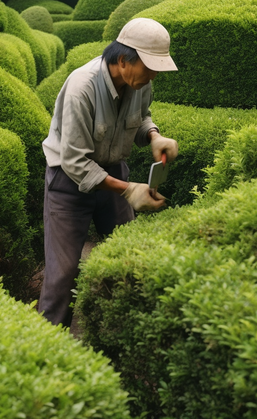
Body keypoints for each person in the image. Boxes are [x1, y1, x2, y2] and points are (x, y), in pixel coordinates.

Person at [38, 18, 179, 327]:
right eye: (150, 66)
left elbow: (141, 118)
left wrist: (154, 136)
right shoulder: (81, 88)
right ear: (122, 61)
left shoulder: (140, 83)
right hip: (67, 184)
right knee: (61, 277)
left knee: (130, 260)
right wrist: (128, 190)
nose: (154, 74)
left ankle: (119, 339)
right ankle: (46, 353)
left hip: (113, 171)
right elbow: (75, 163)